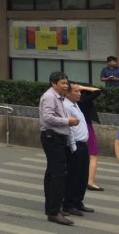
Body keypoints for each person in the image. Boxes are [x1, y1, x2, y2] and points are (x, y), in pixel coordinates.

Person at [39, 71, 79, 226]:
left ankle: (51, 208)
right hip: (52, 137)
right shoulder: (50, 97)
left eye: (66, 83)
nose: (66, 86)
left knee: (52, 173)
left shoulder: (58, 97)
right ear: (53, 83)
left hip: (56, 137)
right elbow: (47, 118)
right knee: (58, 174)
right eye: (62, 83)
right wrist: (67, 121)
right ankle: (54, 212)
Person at [62, 83, 94, 216]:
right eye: (76, 91)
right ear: (67, 93)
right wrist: (73, 146)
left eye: (80, 91)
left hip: (83, 144)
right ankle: (68, 204)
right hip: (74, 145)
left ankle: (78, 201)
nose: (79, 94)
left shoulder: (76, 105)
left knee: (83, 175)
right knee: (73, 176)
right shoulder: (65, 106)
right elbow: (68, 128)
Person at [77, 83, 105, 192]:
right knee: (93, 154)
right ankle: (90, 182)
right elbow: (98, 91)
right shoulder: (84, 100)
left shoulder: (71, 101)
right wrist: (82, 87)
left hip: (75, 127)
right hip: (86, 126)